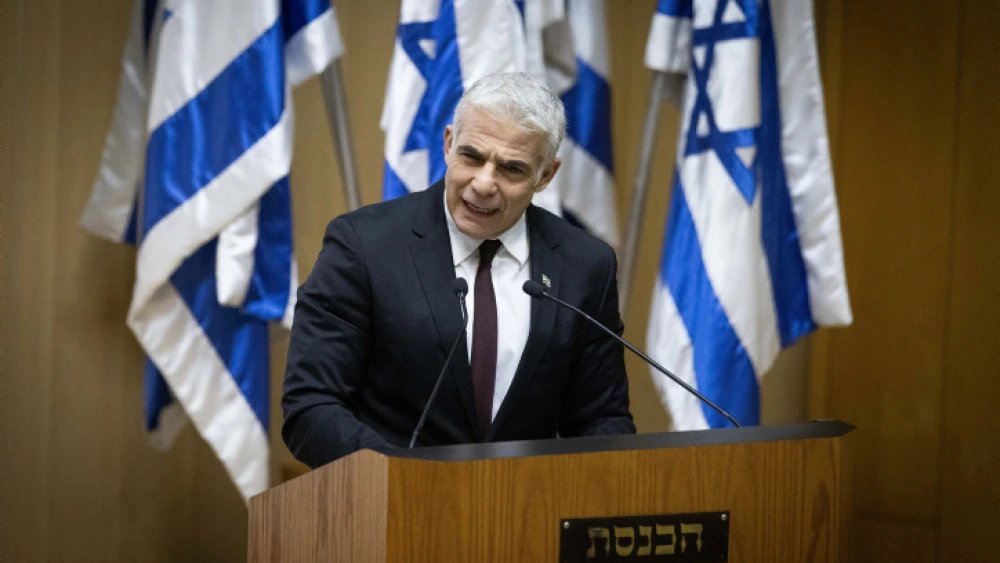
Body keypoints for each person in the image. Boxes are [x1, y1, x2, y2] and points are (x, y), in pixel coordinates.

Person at [282, 72, 634, 469]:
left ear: (546, 175)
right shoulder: (364, 245)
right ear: (449, 143)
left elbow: (600, 418)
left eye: (512, 169)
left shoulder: (585, 265)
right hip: (389, 497)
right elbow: (312, 405)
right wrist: (405, 479)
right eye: (472, 156)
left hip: (526, 501)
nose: (484, 184)